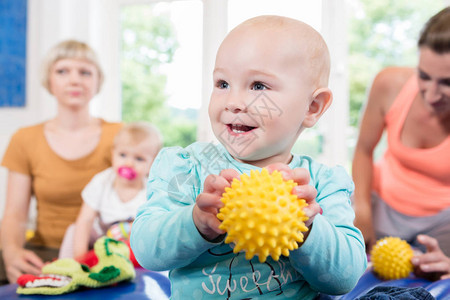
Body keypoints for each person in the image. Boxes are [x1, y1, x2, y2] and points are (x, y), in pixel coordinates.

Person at [131, 15, 367, 299]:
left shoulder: (321, 185)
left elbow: (345, 278)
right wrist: (196, 222)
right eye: (222, 83)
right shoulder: (187, 167)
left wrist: (308, 228)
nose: (233, 102)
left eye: (258, 86)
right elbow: (145, 250)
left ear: (312, 107)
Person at [0, 40, 123, 284]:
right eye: (63, 71)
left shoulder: (120, 136)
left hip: (103, 252)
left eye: (85, 72)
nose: (75, 80)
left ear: (98, 81)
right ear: (49, 81)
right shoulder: (25, 138)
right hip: (43, 254)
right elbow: (15, 213)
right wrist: (11, 252)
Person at [352, 7, 450, 280]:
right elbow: (363, 150)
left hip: (443, 221)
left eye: (447, 83)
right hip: (379, 201)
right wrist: (361, 209)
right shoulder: (389, 84)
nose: (431, 95)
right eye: (424, 76)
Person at [58, 122, 162, 259]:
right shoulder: (101, 181)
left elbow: (151, 226)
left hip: (129, 243)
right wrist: (80, 257)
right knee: (74, 229)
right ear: (113, 153)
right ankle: (67, 266)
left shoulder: (151, 190)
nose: (129, 163)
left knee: (151, 236)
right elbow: (85, 220)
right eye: (123, 155)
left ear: (152, 164)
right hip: (100, 236)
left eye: (139, 159)